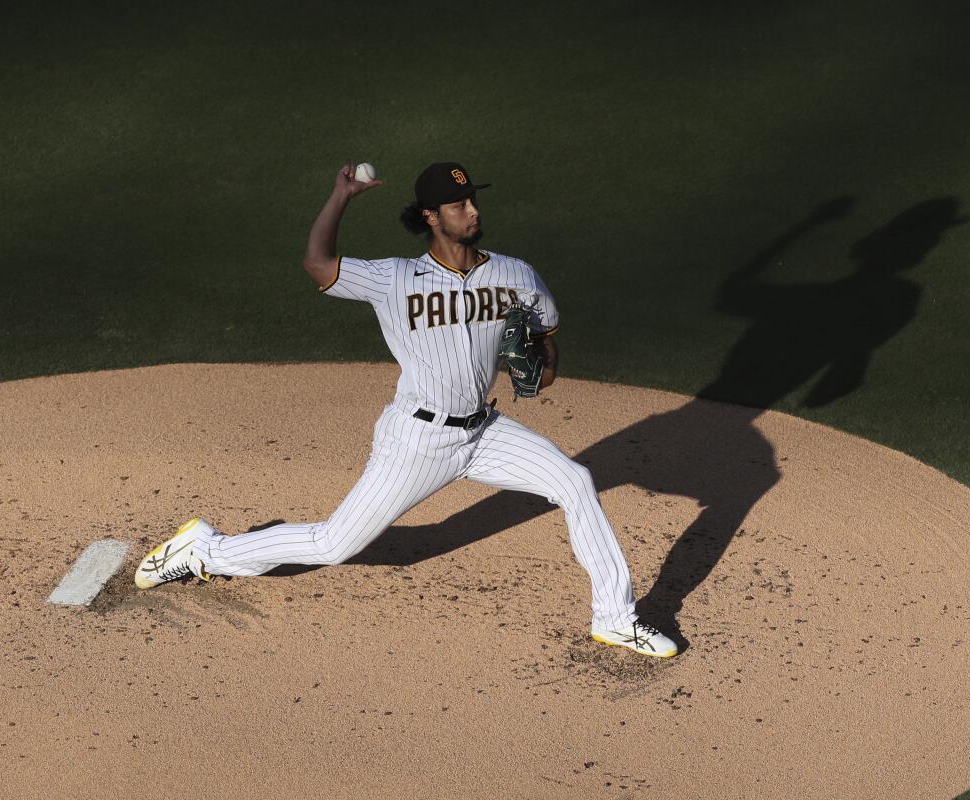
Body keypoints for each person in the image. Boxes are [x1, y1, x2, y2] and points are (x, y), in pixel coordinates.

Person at [133, 162, 677, 658]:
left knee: (576, 481)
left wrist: (538, 367)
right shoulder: (394, 278)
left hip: (483, 433)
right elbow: (317, 263)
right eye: (459, 206)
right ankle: (205, 550)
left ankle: (615, 617)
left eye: (473, 201)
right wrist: (340, 196)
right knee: (334, 543)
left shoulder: (516, 274)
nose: (473, 212)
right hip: (417, 442)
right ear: (430, 217)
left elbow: (547, 353)